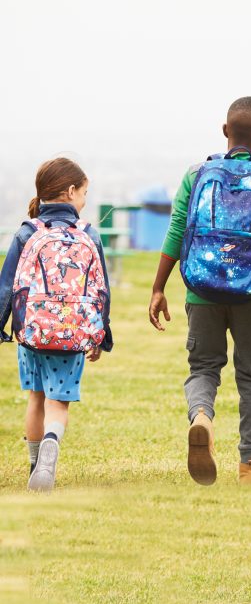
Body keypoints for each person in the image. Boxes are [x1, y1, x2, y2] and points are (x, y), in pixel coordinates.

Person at [148, 96, 251, 486]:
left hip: (203, 292)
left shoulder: (197, 175)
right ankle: (249, 467)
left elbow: (177, 230)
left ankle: (202, 419)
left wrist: (158, 288)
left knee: (203, 368)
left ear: (225, 131)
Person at [0, 158, 113, 492]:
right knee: (57, 404)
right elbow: (101, 289)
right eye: (84, 194)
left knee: (35, 398)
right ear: (70, 191)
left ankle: (36, 466)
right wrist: (101, 335)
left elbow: (7, 286)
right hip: (73, 333)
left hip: (31, 333)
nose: (84, 201)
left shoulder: (27, 232)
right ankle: (50, 452)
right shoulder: (89, 233)